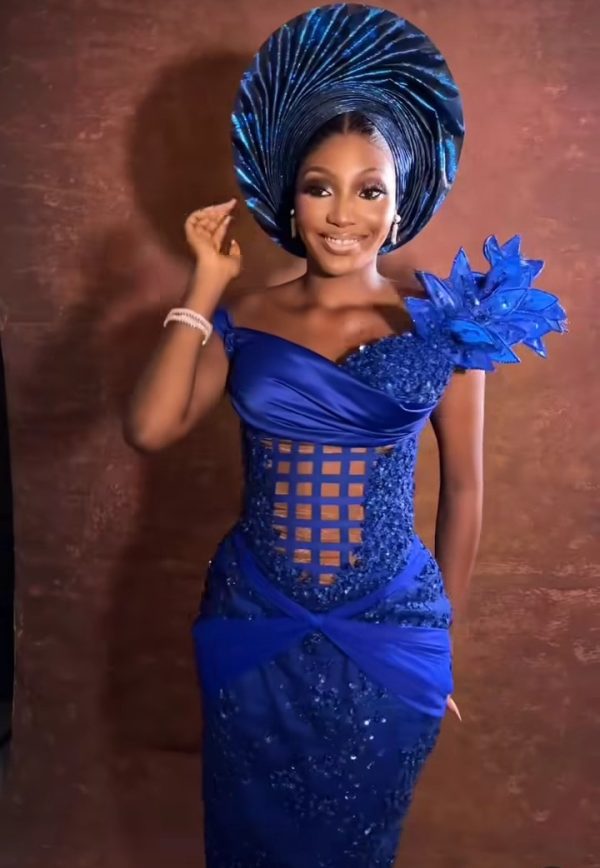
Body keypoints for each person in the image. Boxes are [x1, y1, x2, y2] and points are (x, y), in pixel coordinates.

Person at [123, 5, 568, 866]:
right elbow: (147, 428)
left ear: (400, 209)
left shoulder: (446, 324)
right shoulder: (247, 317)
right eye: (319, 186)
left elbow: (465, 488)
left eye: (370, 190)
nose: (342, 212)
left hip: (389, 630)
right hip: (254, 624)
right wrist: (204, 286)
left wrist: (440, 642)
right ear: (290, 199)